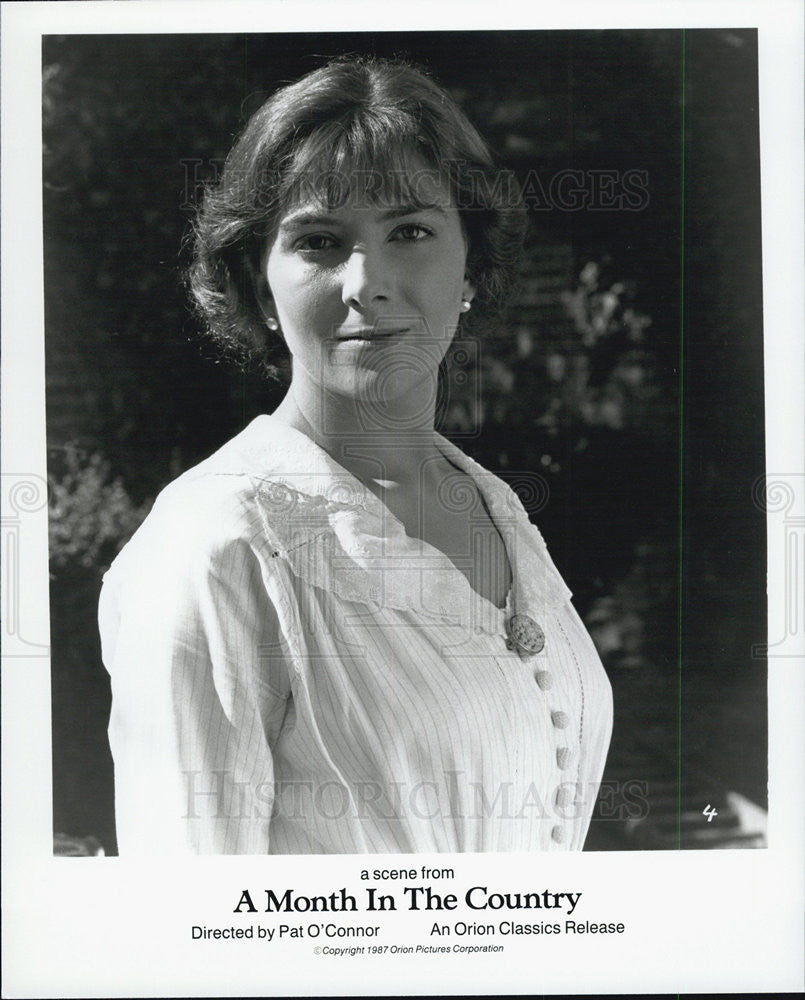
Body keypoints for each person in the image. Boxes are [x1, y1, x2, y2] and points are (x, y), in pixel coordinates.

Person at [98, 55, 612, 855]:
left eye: (409, 231)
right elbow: (188, 922)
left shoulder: (493, 506)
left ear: (470, 266)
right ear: (258, 286)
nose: (366, 281)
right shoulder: (216, 545)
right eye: (319, 241)